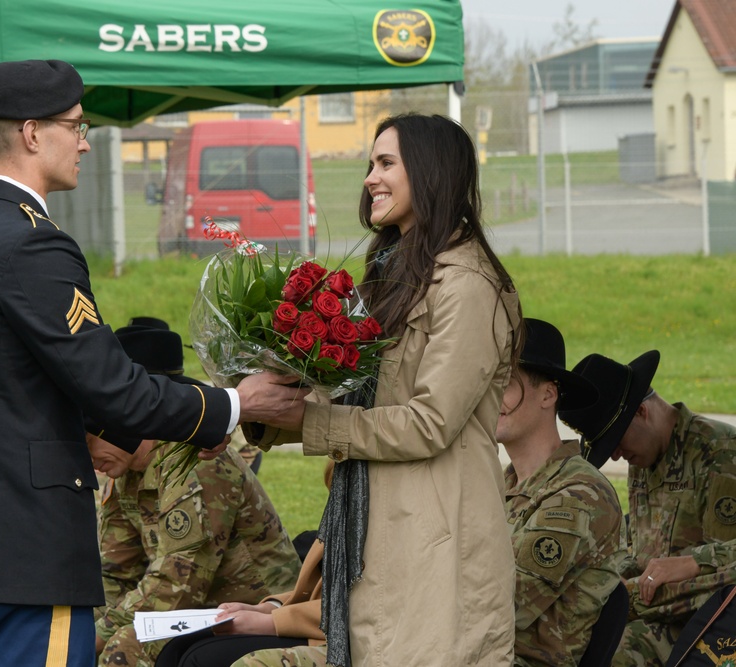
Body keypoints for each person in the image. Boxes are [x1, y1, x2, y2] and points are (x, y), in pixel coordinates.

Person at [0, 59, 301, 667]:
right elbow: (117, 392)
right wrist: (238, 402)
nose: (86, 142)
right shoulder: (32, 241)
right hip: (26, 549)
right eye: (77, 125)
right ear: (33, 134)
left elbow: (13, 386)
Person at [247, 113, 523, 666]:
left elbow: (428, 423)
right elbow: (357, 394)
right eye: (371, 164)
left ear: (431, 172)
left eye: (386, 163)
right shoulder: (393, 269)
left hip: (439, 554)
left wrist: (312, 423)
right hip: (379, 541)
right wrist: (258, 405)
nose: (370, 177)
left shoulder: (468, 285)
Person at [91, 322, 301, 667]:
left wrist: (97, 637)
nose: (89, 461)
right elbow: (117, 572)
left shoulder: (195, 459)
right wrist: (85, 628)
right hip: (191, 613)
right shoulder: (124, 465)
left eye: (89, 439)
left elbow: (178, 583)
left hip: (258, 614)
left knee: (120, 654)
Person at [559, 351, 736, 667]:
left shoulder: (720, 454)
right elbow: (643, 553)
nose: (614, 456)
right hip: (649, 613)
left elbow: (723, 577)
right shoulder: (644, 455)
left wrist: (691, 564)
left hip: (706, 625)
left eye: (615, 440)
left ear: (641, 412)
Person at [498, 318, 624, 665]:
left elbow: (503, 608)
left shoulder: (579, 494)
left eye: (504, 383)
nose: (489, 396)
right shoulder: (501, 484)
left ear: (548, 394)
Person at [159, 462, 336, 667]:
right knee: (178, 648)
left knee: (204, 659)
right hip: (314, 621)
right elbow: (325, 590)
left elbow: (359, 609)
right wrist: (268, 608)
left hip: (345, 637)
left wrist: (271, 621)